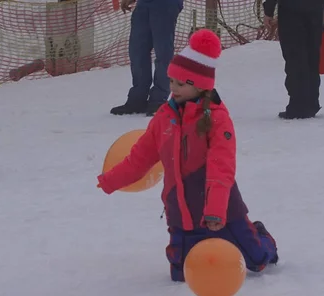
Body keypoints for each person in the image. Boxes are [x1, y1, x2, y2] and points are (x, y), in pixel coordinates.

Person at [98, 29, 279, 282]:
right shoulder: (164, 117)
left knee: (257, 261)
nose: (174, 88)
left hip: (221, 209)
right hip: (181, 211)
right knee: (181, 273)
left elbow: (221, 166)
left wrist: (216, 210)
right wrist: (111, 180)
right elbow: (140, 157)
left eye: (181, 84)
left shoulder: (216, 118)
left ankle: (261, 236)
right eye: (171, 81)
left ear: (201, 85)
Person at [263, 0, 324, 119]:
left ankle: (298, 106)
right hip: (314, 9)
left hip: (290, 11)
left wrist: (269, 11)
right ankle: (311, 103)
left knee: (295, 57)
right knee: (312, 55)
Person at [110, 0, 183, 117]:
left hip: (166, 4)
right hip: (144, 4)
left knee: (163, 52)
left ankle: (159, 100)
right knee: (137, 51)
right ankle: (138, 99)